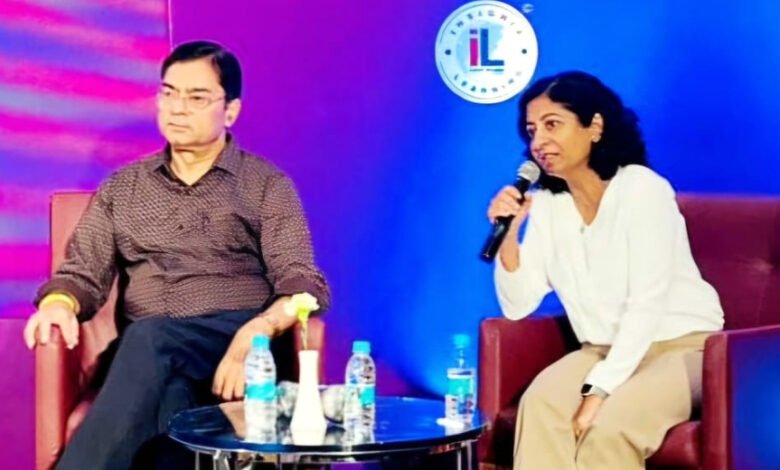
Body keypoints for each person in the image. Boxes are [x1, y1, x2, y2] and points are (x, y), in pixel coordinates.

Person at [22, 40, 330, 469]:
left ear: (231, 110)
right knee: (169, 407)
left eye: (197, 97)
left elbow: (303, 283)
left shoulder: (265, 185)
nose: (178, 109)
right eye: (169, 93)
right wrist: (59, 303)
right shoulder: (123, 188)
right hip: (150, 355)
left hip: (235, 345)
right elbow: (83, 271)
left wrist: (256, 333)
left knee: (150, 339)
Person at [487, 71, 724, 469]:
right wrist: (509, 235)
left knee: (608, 428)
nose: (538, 141)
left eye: (552, 125)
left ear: (594, 126)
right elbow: (518, 305)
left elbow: (647, 302)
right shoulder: (548, 203)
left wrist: (599, 391)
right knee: (540, 405)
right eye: (531, 130)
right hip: (600, 349)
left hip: (683, 347)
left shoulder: (642, 189)